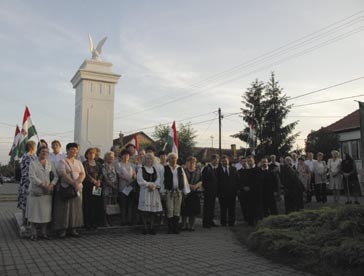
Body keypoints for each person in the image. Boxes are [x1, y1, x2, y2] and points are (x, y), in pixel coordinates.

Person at [53, 143, 85, 238]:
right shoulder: (62, 161)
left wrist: (78, 182)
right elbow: (62, 174)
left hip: (77, 189)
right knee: (64, 209)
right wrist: (73, 183)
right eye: (72, 149)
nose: (74, 151)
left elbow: (83, 174)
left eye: (76, 149)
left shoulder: (79, 162)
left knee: (76, 209)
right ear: (67, 150)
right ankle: (63, 230)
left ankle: (73, 229)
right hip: (66, 188)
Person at [28, 146, 58, 241]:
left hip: (47, 192)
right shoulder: (33, 163)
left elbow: (56, 176)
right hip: (36, 192)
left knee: (45, 215)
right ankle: (33, 234)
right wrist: (42, 185)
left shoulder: (50, 163)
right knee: (34, 214)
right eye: (42, 151)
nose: (44, 153)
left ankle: (44, 233)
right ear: (38, 152)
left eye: (46, 151)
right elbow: (32, 177)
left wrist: (51, 185)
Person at [162, 152, 190, 234]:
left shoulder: (179, 168)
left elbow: (184, 180)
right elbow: (162, 181)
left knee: (177, 210)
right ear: (169, 159)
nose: (173, 160)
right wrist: (162, 192)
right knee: (170, 210)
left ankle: (176, 228)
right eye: (172, 158)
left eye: (175, 158)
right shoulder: (165, 168)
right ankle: (170, 228)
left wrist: (185, 191)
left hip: (178, 192)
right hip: (169, 192)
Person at [137, 153, 162, 234]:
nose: (149, 160)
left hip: (153, 192)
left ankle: (151, 227)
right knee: (145, 211)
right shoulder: (141, 169)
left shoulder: (155, 169)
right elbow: (140, 180)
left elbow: (158, 179)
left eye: (150, 159)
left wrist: (154, 185)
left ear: (153, 160)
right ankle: (145, 227)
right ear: (145, 160)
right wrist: (149, 185)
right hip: (145, 191)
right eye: (147, 159)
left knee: (152, 211)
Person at [82, 148, 104, 229]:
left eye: (93, 153)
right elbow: (85, 174)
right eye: (90, 153)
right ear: (87, 155)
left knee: (96, 204)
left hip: (97, 186)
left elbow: (101, 173)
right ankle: (88, 223)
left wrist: (98, 181)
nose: (92, 155)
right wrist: (93, 181)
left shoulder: (98, 164)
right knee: (88, 205)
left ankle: (95, 223)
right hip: (88, 186)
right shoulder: (84, 163)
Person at [17, 140, 37, 228]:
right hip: (28, 182)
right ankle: (25, 221)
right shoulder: (29, 156)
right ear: (32, 147)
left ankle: (26, 220)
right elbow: (31, 170)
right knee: (26, 201)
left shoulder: (26, 156)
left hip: (25, 181)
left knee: (25, 201)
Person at [115, 149, 136, 225]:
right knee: (123, 205)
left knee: (130, 205)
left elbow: (134, 174)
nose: (126, 156)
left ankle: (129, 221)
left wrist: (132, 180)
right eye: (124, 155)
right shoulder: (119, 164)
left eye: (127, 155)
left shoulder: (132, 164)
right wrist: (127, 179)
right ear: (122, 156)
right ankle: (123, 221)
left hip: (130, 187)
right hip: (123, 187)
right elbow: (118, 174)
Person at [181, 156, 202, 231]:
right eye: (190, 162)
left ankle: (191, 226)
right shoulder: (183, 170)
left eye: (193, 162)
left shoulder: (199, 170)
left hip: (195, 193)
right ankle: (183, 225)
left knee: (193, 211)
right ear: (186, 163)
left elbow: (201, 180)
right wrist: (189, 185)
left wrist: (196, 185)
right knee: (184, 210)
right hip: (186, 193)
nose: (192, 163)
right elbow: (181, 181)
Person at [217, 155, 239, 226]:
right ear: (221, 162)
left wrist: (236, 191)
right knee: (223, 209)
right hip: (222, 193)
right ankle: (223, 222)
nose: (224, 162)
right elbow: (217, 182)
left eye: (226, 161)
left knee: (232, 208)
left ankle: (231, 222)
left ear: (228, 161)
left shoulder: (234, 169)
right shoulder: (218, 170)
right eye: (223, 161)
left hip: (232, 193)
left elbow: (237, 180)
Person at [242, 155, 263, 225]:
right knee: (249, 208)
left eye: (250, 161)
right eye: (248, 161)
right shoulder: (245, 171)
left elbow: (258, 182)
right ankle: (250, 221)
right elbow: (243, 181)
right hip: (248, 194)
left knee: (256, 208)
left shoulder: (258, 170)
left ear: (254, 161)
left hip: (256, 192)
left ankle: (256, 220)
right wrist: (244, 186)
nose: (249, 162)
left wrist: (250, 187)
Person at [201, 154, 220, 228]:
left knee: (212, 207)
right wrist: (207, 189)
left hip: (213, 192)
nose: (217, 162)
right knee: (207, 207)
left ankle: (210, 221)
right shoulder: (207, 168)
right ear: (212, 160)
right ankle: (206, 223)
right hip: (208, 192)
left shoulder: (214, 169)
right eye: (216, 160)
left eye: (218, 160)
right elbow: (204, 181)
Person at [102, 151, 119, 226]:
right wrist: (113, 186)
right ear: (105, 158)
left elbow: (116, 177)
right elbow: (105, 178)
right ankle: (105, 222)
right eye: (109, 157)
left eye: (112, 157)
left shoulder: (113, 166)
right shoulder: (103, 166)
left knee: (112, 204)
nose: (111, 158)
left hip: (114, 188)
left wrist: (116, 186)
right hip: (107, 188)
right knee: (106, 205)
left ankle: (112, 221)